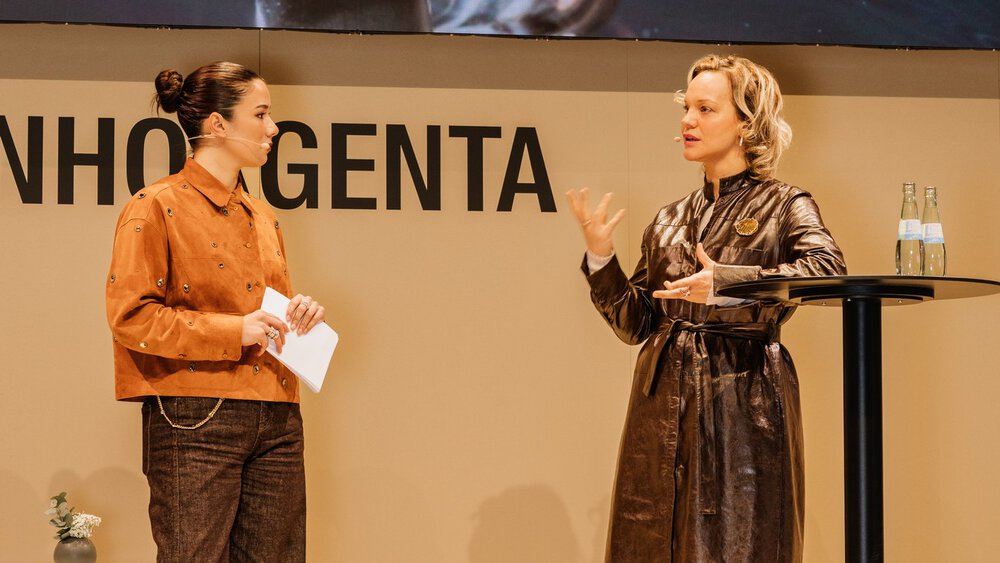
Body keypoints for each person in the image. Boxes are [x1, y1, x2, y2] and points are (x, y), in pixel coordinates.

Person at [566, 54, 847, 562]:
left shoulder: (785, 204)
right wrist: (601, 258)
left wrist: (727, 283)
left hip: (742, 401)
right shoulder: (669, 219)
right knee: (652, 536)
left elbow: (827, 271)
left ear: (747, 122)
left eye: (706, 108)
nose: (688, 121)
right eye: (686, 107)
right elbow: (636, 324)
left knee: (737, 538)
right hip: (662, 403)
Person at [105, 61, 325, 563]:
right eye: (262, 114)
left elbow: (260, 310)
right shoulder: (155, 205)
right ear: (218, 124)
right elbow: (130, 317)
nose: (273, 128)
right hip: (194, 413)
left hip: (277, 411)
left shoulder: (264, 215)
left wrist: (299, 313)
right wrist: (236, 329)